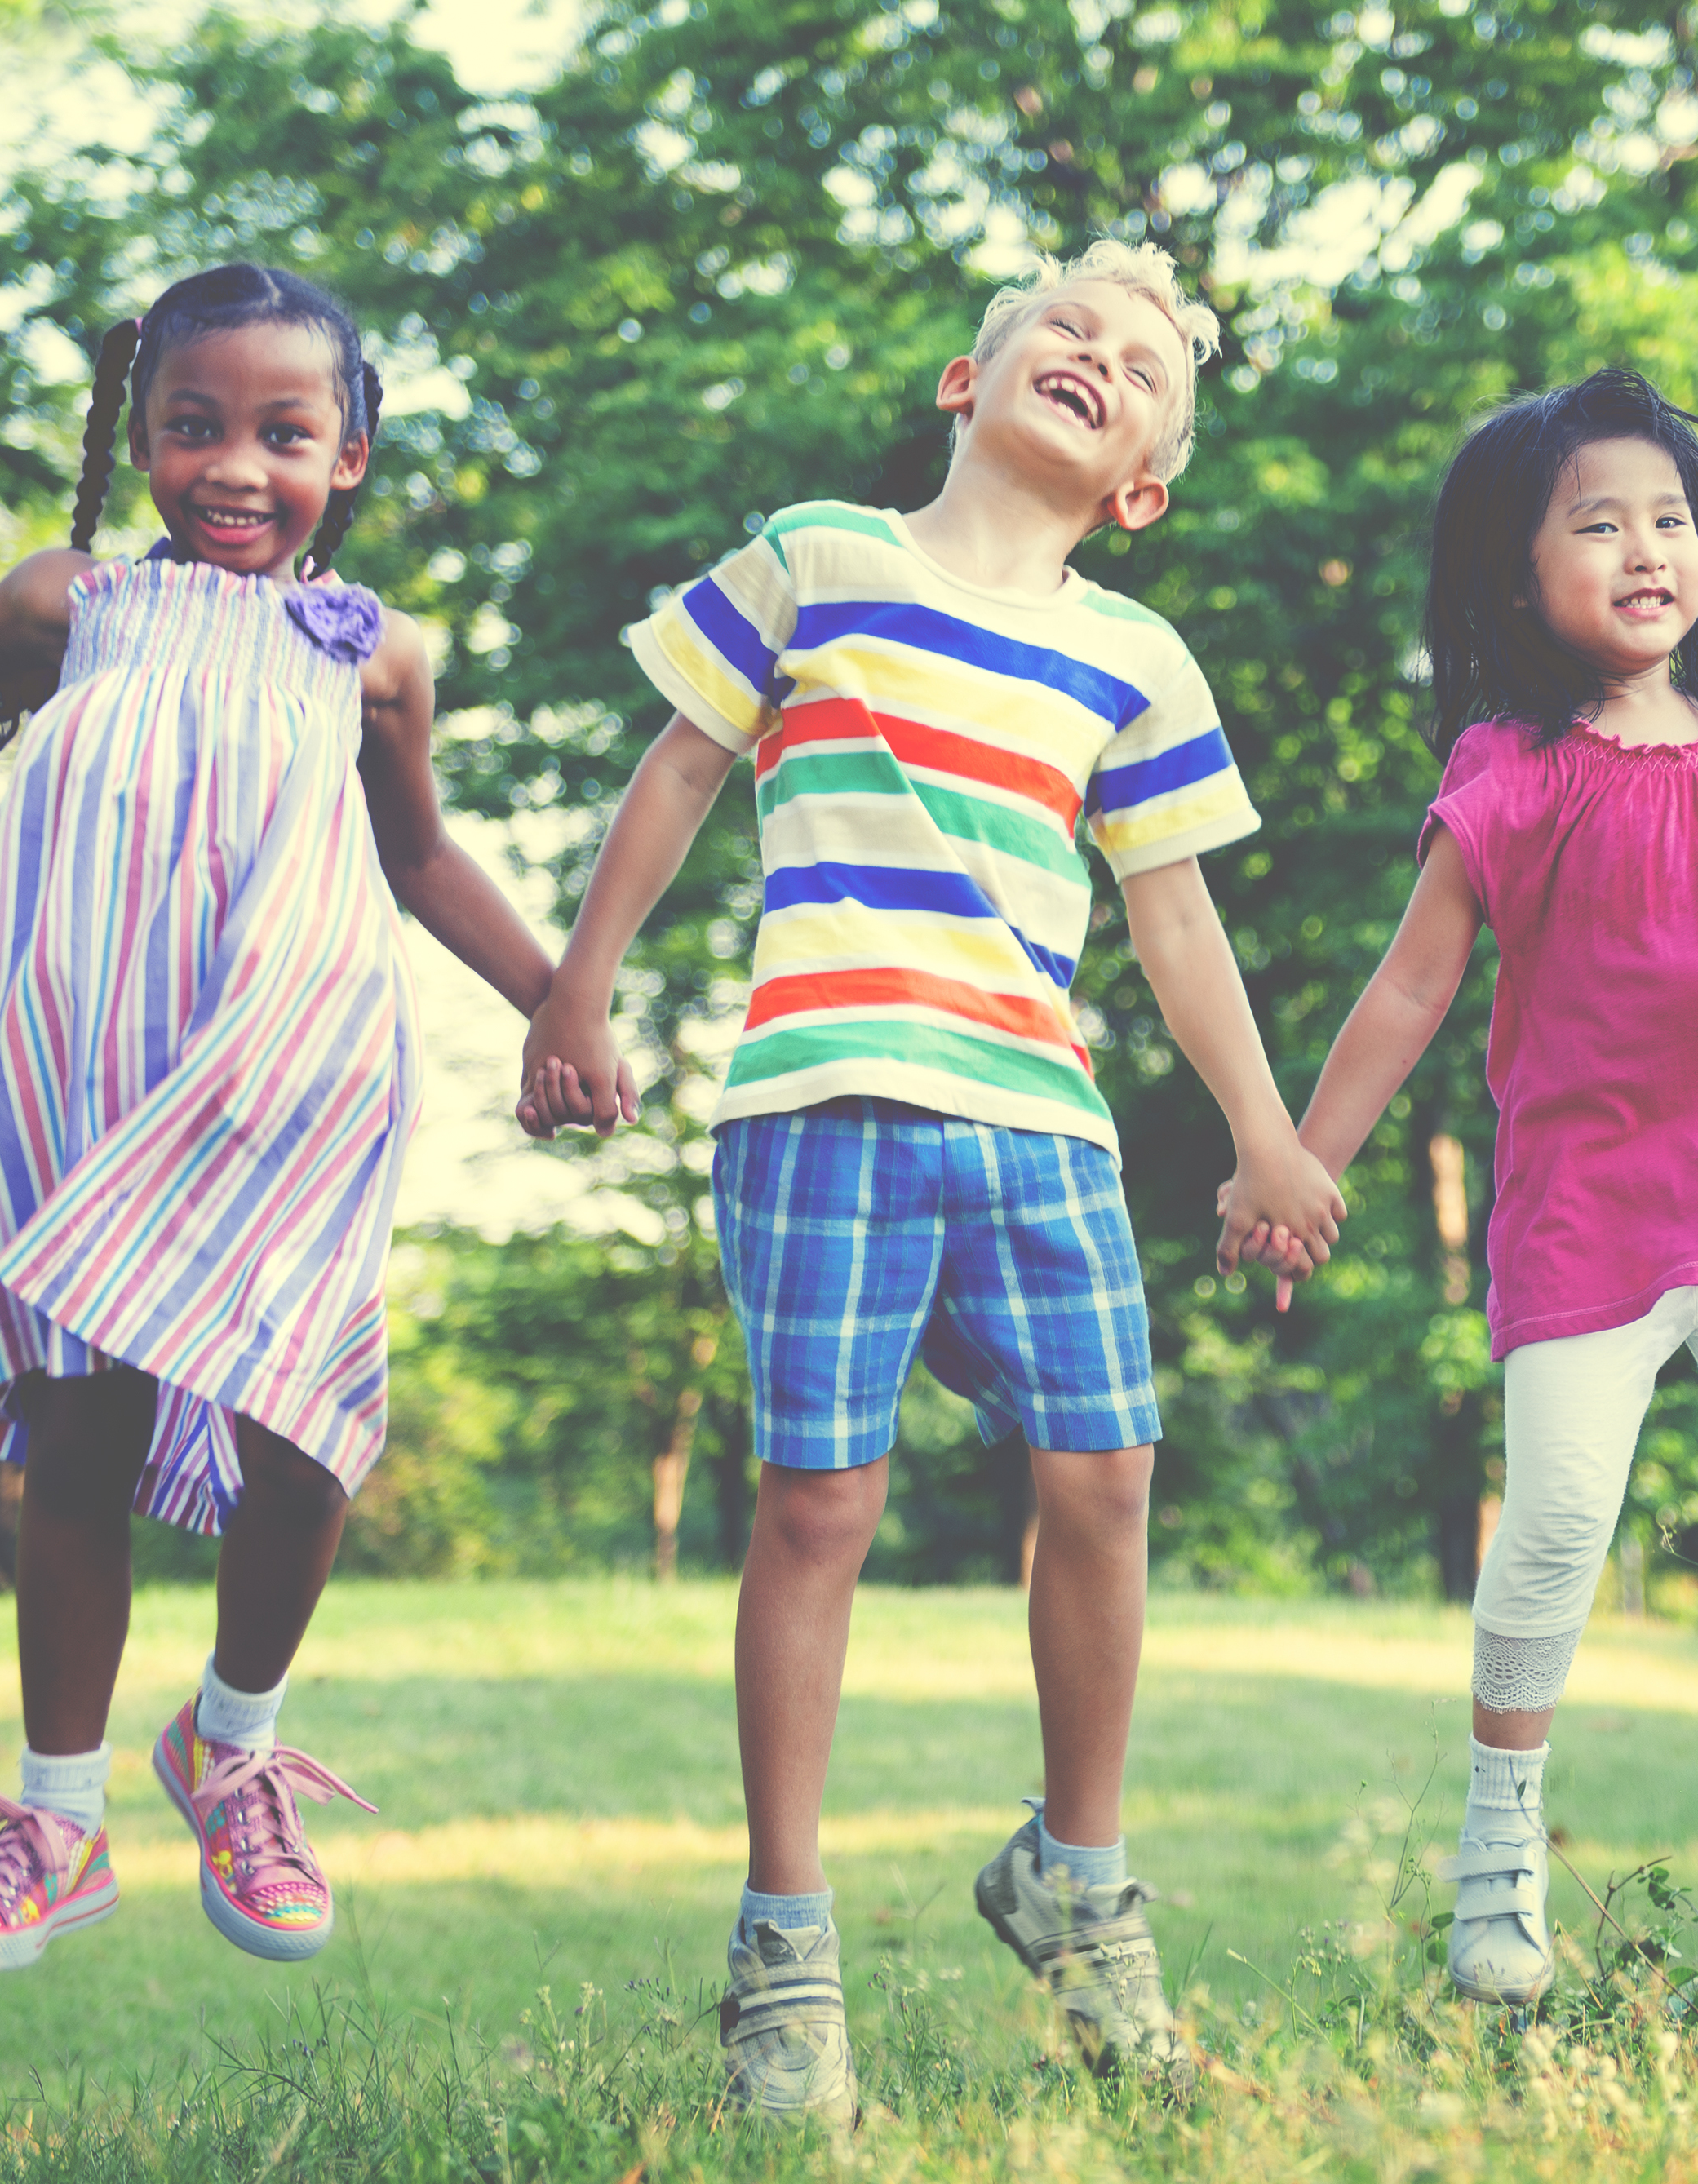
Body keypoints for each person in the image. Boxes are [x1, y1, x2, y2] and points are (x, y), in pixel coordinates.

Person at [516, 238, 1344, 2117]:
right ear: (966, 383)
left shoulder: (1134, 655)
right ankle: (785, 1950)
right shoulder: (818, 558)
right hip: (821, 1095)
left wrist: (1266, 1130)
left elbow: (1176, 910)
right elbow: (674, 773)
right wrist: (576, 984)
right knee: (821, 1506)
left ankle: (1077, 1880)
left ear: (1144, 485)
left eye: (1137, 362)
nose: (1094, 351)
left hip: (1040, 1118)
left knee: (1106, 1473)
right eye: (1063, 324)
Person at [0, 264, 567, 1974]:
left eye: (283, 433)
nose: (234, 465)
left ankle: (233, 1736)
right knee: (84, 1429)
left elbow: (421, 858)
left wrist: (562, 1000)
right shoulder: (75, 601)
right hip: (83, 1073)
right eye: (192, 425)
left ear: (347, 455)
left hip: (294, 1071)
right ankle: (55, 1818)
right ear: (138, 435)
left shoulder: (377, 655)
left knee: (309, 1425)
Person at [1245, 368, 1698, 2004]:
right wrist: (1299, 1161)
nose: (1648, 549)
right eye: (1599, 525)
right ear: (1516, 579)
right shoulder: (1510, 774)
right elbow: (1410, 995)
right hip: (1589, 1214)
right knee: (1560, 1518)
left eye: (1671, 519)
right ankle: (1499, 1843)